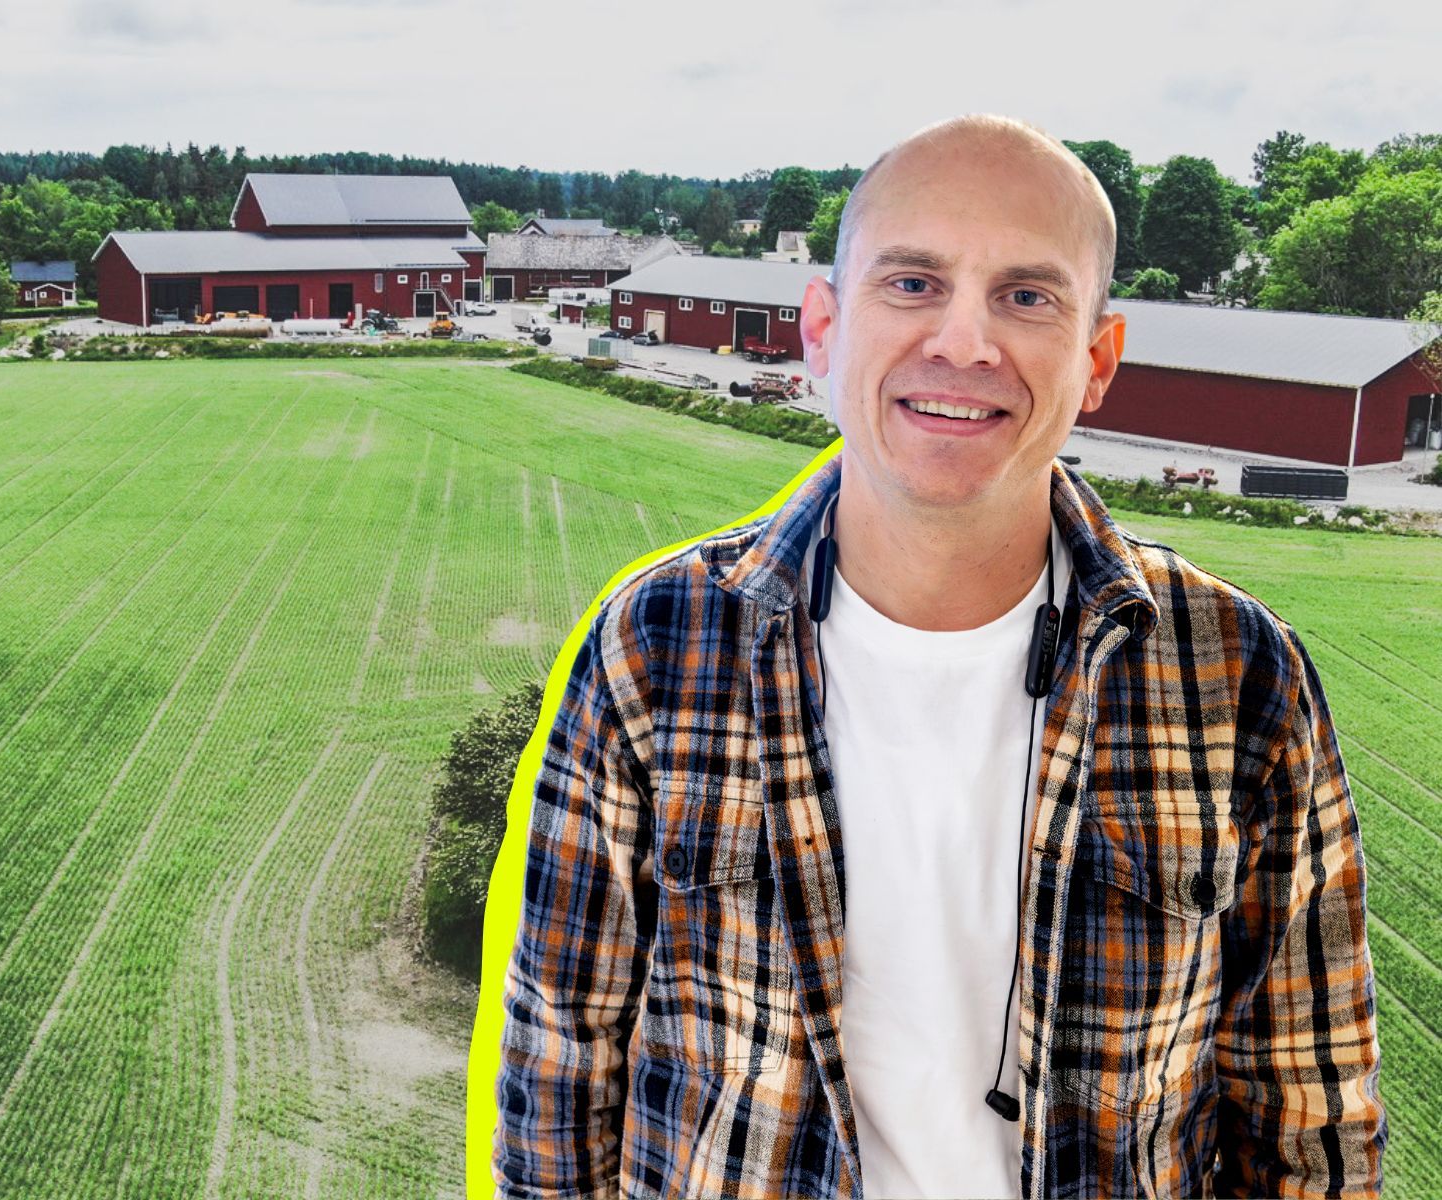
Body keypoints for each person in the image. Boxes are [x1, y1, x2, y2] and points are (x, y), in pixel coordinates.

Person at [490, 113, 1386, 1199]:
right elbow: (559, 1073)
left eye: (1027, 295)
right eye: (911, 284)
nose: (965, 343)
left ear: (1096, 358)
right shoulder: (655, 647)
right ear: (821, 328)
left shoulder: (1240, 679)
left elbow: (1309, 1121)